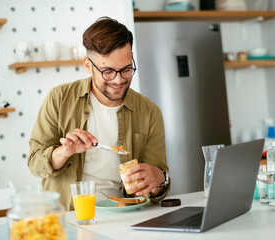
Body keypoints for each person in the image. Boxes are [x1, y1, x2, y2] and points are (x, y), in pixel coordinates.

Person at [28, 17, 170, 211]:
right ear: (88, 65)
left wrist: (159, 179)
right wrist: (64, 152)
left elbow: (156, 188)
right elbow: (35, 163)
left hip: (123, 216)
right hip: (67, 217)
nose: (118, 80)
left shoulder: (150, 113)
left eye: (126, 69)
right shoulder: (59, 98)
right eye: (107, 71)